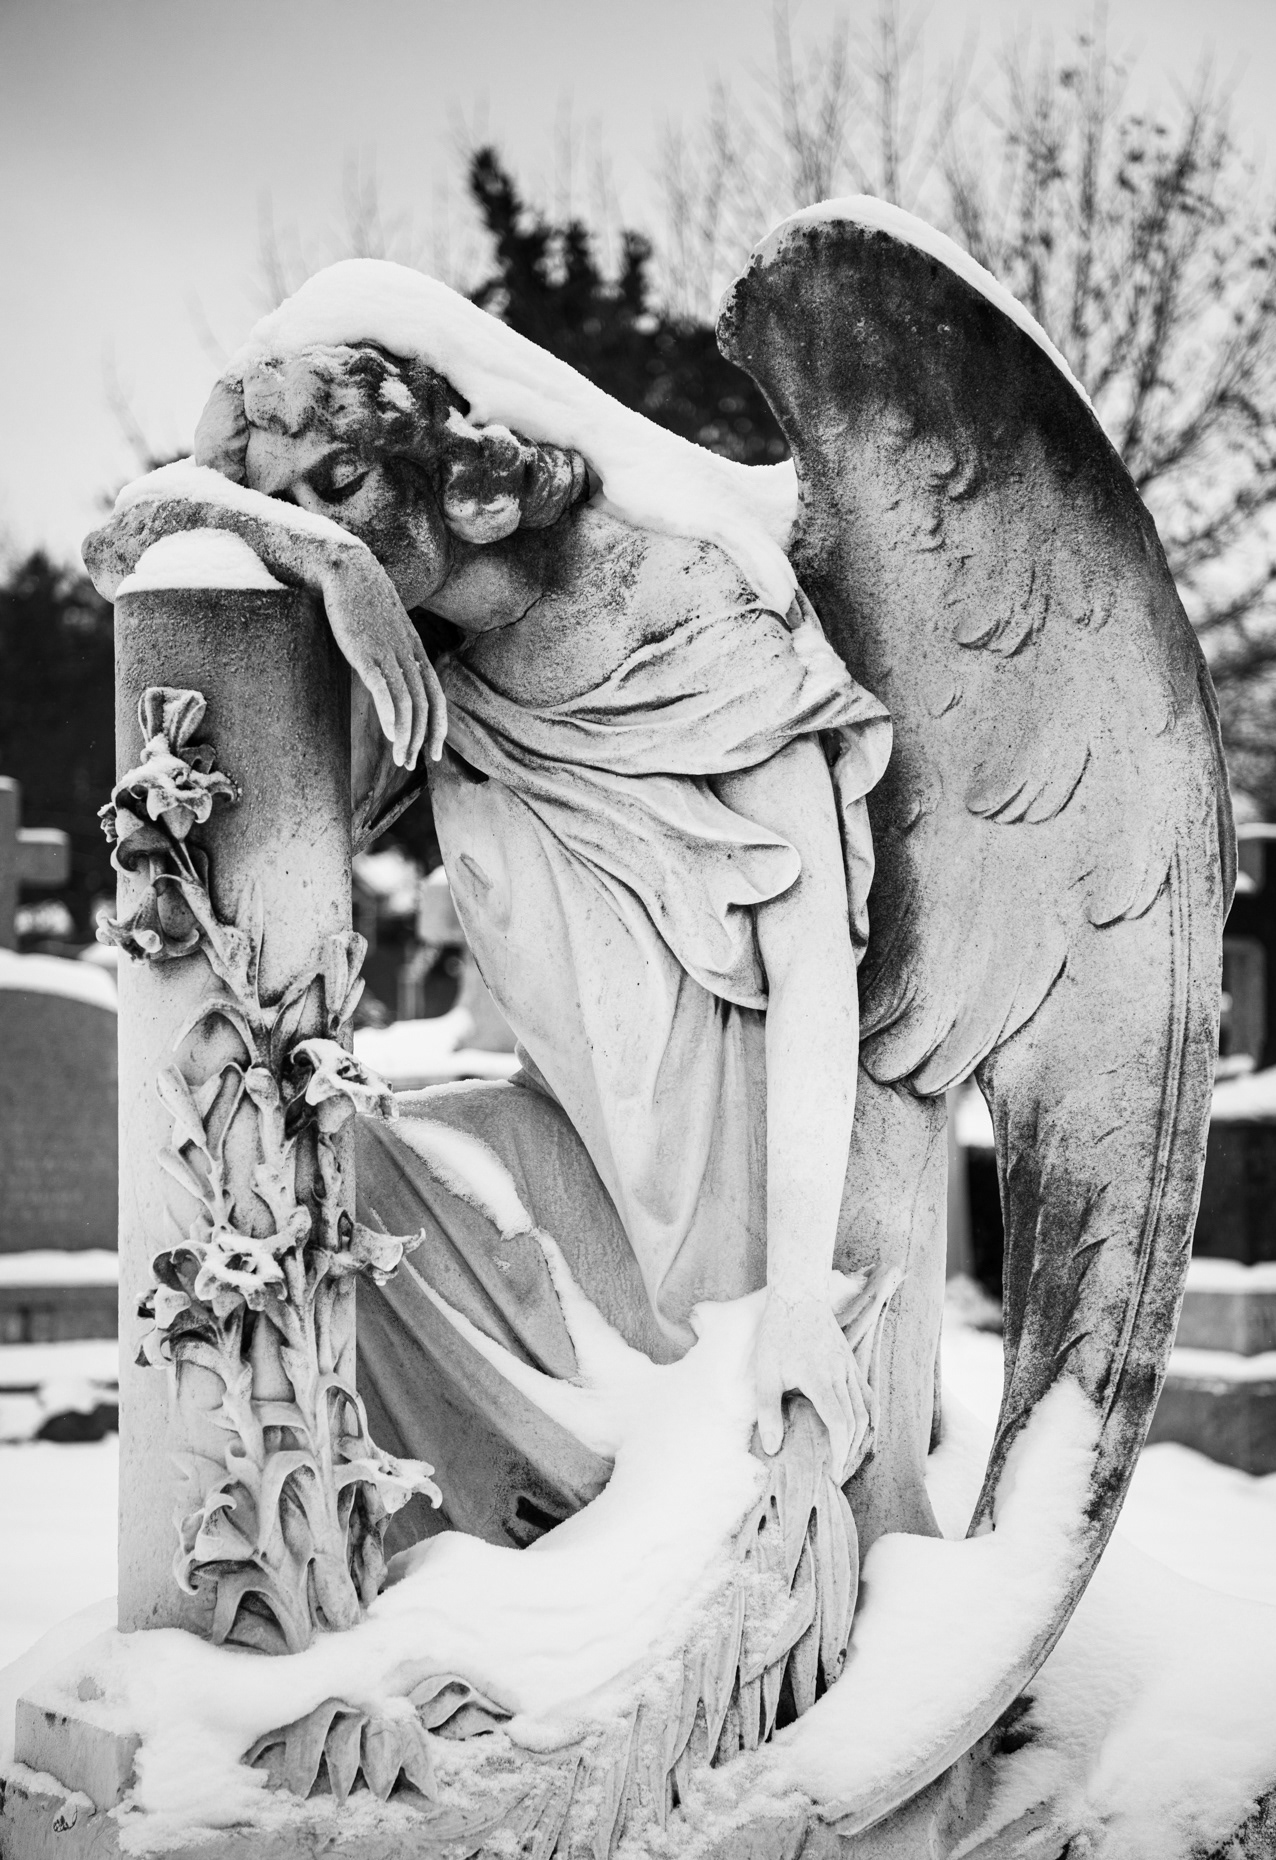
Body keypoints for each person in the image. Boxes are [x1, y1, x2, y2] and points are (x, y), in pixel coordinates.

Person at [85, 331, 895, 1552]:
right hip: (574, 1151)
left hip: (725, 1204)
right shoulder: (430, 676)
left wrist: (795, 1295)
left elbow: (816, 971)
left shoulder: (685, 608)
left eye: (342, 483)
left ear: (446, 461)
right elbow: (124, 541)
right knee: (309, 1183)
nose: (321, 525)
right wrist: (330, 563)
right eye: (289, 508)